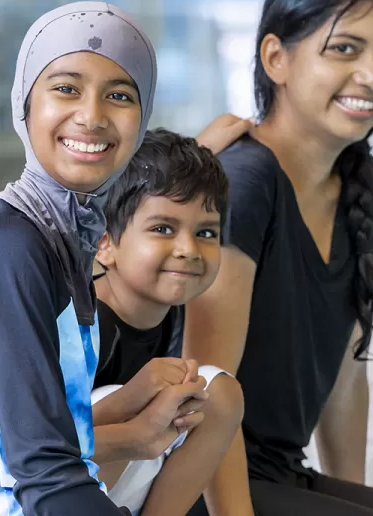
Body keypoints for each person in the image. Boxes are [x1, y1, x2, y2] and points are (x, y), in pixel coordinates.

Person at [0, 1, 208, 516]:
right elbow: (45, 472)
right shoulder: (12, 249)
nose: (91, 117)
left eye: (119, 95)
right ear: (24, 104)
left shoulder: (62, 239)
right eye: (66, 88)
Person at [183, 0, 373, 515]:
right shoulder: (243, 182)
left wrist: (357, 499)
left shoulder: (371, 189)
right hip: (194, 483)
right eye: (345, 49)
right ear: (276, 57)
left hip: (281, 476)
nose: (372, 78)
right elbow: (206, 390)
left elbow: (346, 378)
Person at [86, 129, 252, 515]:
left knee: (217, 394)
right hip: (27, 500)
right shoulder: (81, 324)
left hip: (108, 491)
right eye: (162, 229)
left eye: (206, 232)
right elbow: (26, 448)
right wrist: (130, 408)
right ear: (104, 243)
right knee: (125, 399)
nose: (188, 250)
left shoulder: (168, 308)